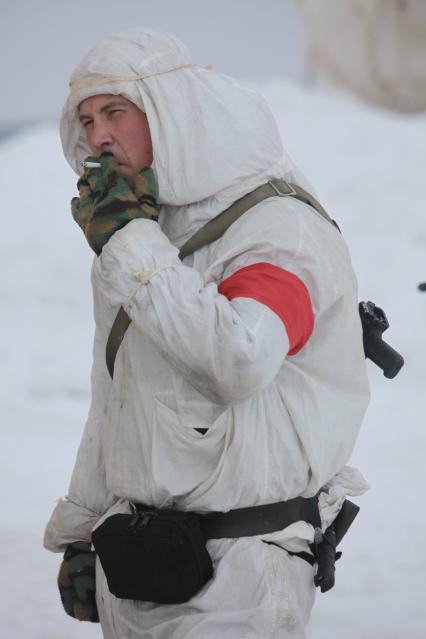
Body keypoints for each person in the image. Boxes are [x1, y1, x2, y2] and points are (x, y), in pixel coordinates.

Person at [44, 28, 370, 639]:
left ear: (171, 114)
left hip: (243, 575)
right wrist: (82, 534)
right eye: (86, 119)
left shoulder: (275, 228)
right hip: (138, 568)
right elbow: (113, 399)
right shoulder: (140, 234)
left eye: (115, 111)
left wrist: (130, 243)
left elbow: (238, 359)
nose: (98, 137)